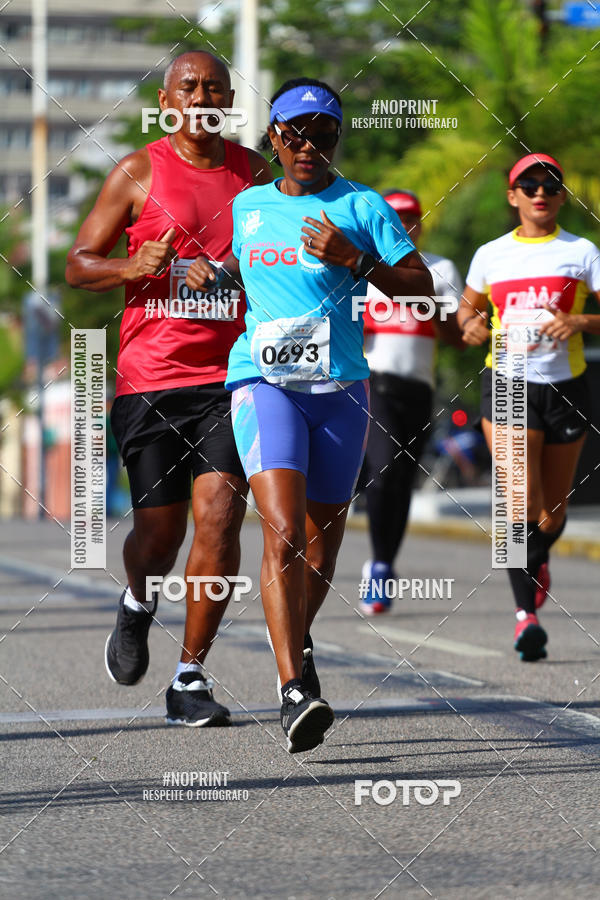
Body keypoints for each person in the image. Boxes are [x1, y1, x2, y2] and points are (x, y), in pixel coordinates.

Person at [191, 78, 432, 751]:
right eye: (295, 133)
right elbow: (238, 266)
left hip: (340, 393)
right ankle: (294, 686)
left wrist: (357, 259)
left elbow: (422, 288)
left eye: (324, 134)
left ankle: (298, 637)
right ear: (274, 136)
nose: (309, 145)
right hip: (262, 383)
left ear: (337, 140)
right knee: (283, 533)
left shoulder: (361, 205)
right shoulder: (249, 206)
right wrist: (214, 275)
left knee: (322, 546)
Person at [65, 51, 271, 724]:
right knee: (160, 534)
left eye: (215, 86)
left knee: (220, 515)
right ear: (168, 99)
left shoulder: (255, 173)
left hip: (232, 374)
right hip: (149, 378)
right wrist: (131, 264)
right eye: (190, 86)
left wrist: (244, 271)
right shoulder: (138, 170)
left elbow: (284, 257)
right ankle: (136, 601)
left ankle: (189, 677)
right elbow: (78, 265)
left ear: (229, 98)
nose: (202, 95)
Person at [458, 153, 600, 660]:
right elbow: (467, 314)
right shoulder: (491, 254)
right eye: (530, 184)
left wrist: (580, 323)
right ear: (512, 195)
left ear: (562, 195)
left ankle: (534, 559)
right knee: (518, 503)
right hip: (509, 384)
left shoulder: (582, 251)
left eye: (550, 184)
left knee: (552, 511)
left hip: (566, 387)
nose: (540, 192)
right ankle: (525, 619)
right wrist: (471, 326)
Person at [360, 189, 464, 614]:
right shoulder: (363, 267)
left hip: (418, 390)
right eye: (395, 218)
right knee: (383, 474)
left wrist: (428, 303)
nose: (404, 225)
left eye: (411, 218)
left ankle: (383, 563)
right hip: (372, 384)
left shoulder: (439, 269)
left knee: (401, 480)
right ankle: (375, 563)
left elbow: (456, 338)